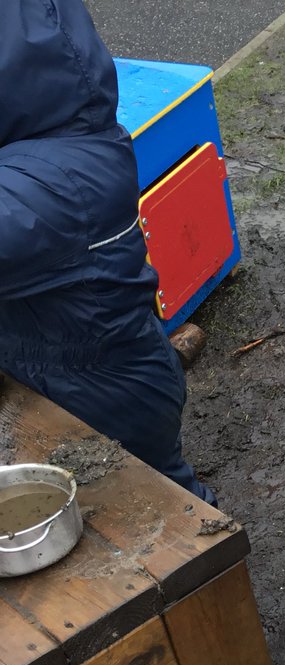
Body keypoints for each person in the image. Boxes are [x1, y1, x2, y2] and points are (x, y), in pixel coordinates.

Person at [0, 0, 215, 505]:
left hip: (112, 391)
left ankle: (211, 537)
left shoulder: (61, 177)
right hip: (39, 361)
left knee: (162, 501)